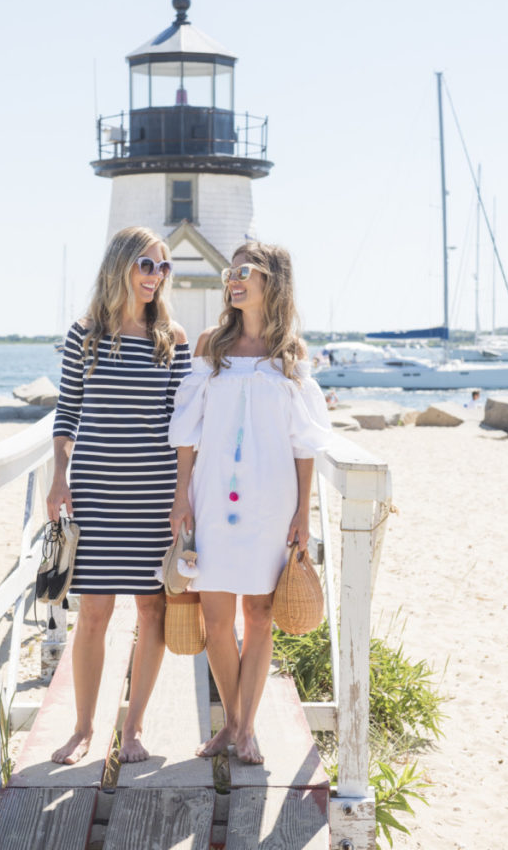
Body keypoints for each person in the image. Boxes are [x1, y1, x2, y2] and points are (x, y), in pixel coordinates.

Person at [168, 240, 330, 764]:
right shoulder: (210, 345)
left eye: (244, 271)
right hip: (212, 496)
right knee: (217, 618)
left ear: (271, 281)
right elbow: (187, 431)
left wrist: (303, 511)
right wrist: (181, 495)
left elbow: (305, 443)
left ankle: (244, 728)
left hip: (272, 500)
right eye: (229, 272)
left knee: (259, 614)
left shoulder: (291, 354)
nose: (233, 280)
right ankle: (234, 726)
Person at [47, 225, 190, 765]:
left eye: (163, 267)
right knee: (94, 614)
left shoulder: (171, 339)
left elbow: (184, 429)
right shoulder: (84, 335)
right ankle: (84, 728)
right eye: (146, 265)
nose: (156, 276)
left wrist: (182, 495)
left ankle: (132, 729)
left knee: (152, 610)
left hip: (153, 494)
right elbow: (67, 415)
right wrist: (60, 477)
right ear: (121, 266)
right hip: (96, 491)